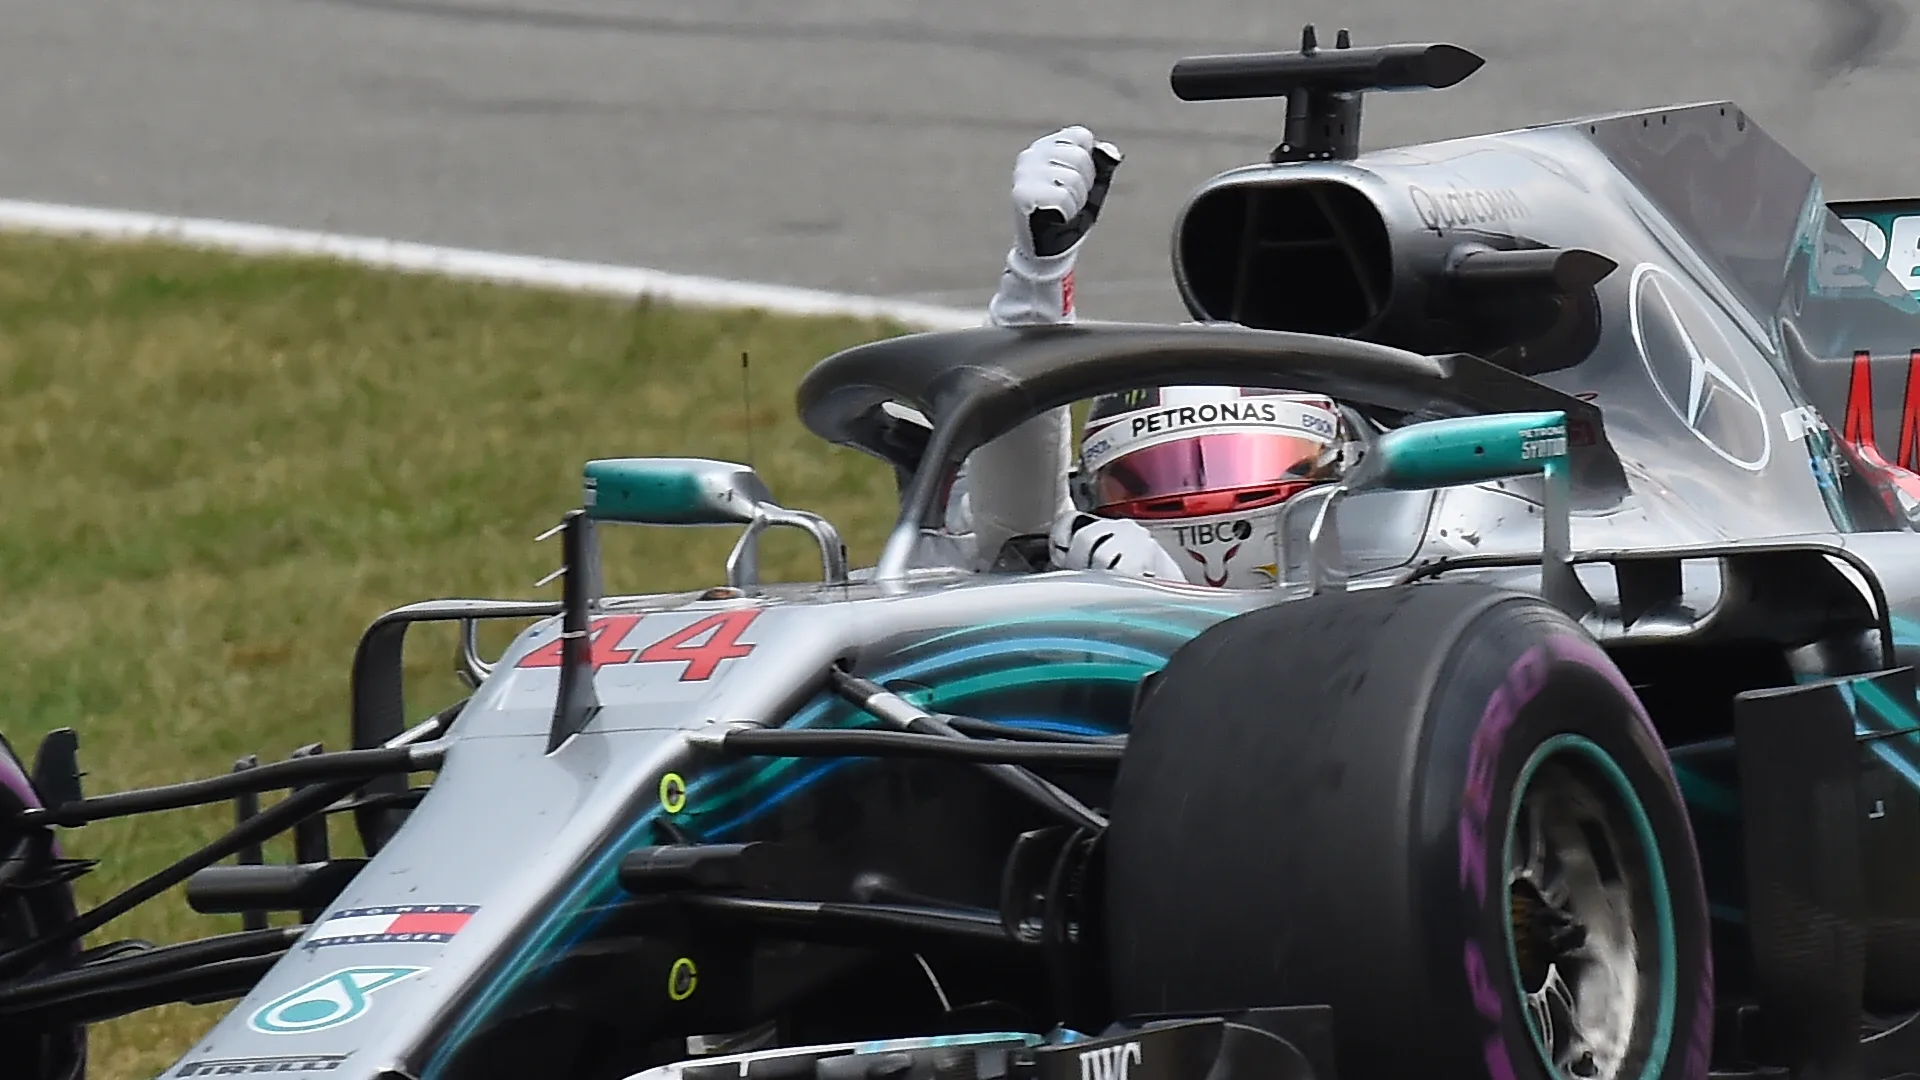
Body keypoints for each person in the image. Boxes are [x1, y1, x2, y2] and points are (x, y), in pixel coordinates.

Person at [947, 126, 1358, 587]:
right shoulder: (1074, 575)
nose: (1204, 501)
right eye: (1162, 480)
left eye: (1246, 467)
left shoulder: (1398, 572)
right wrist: (1036, 283)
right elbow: (1019, 525)